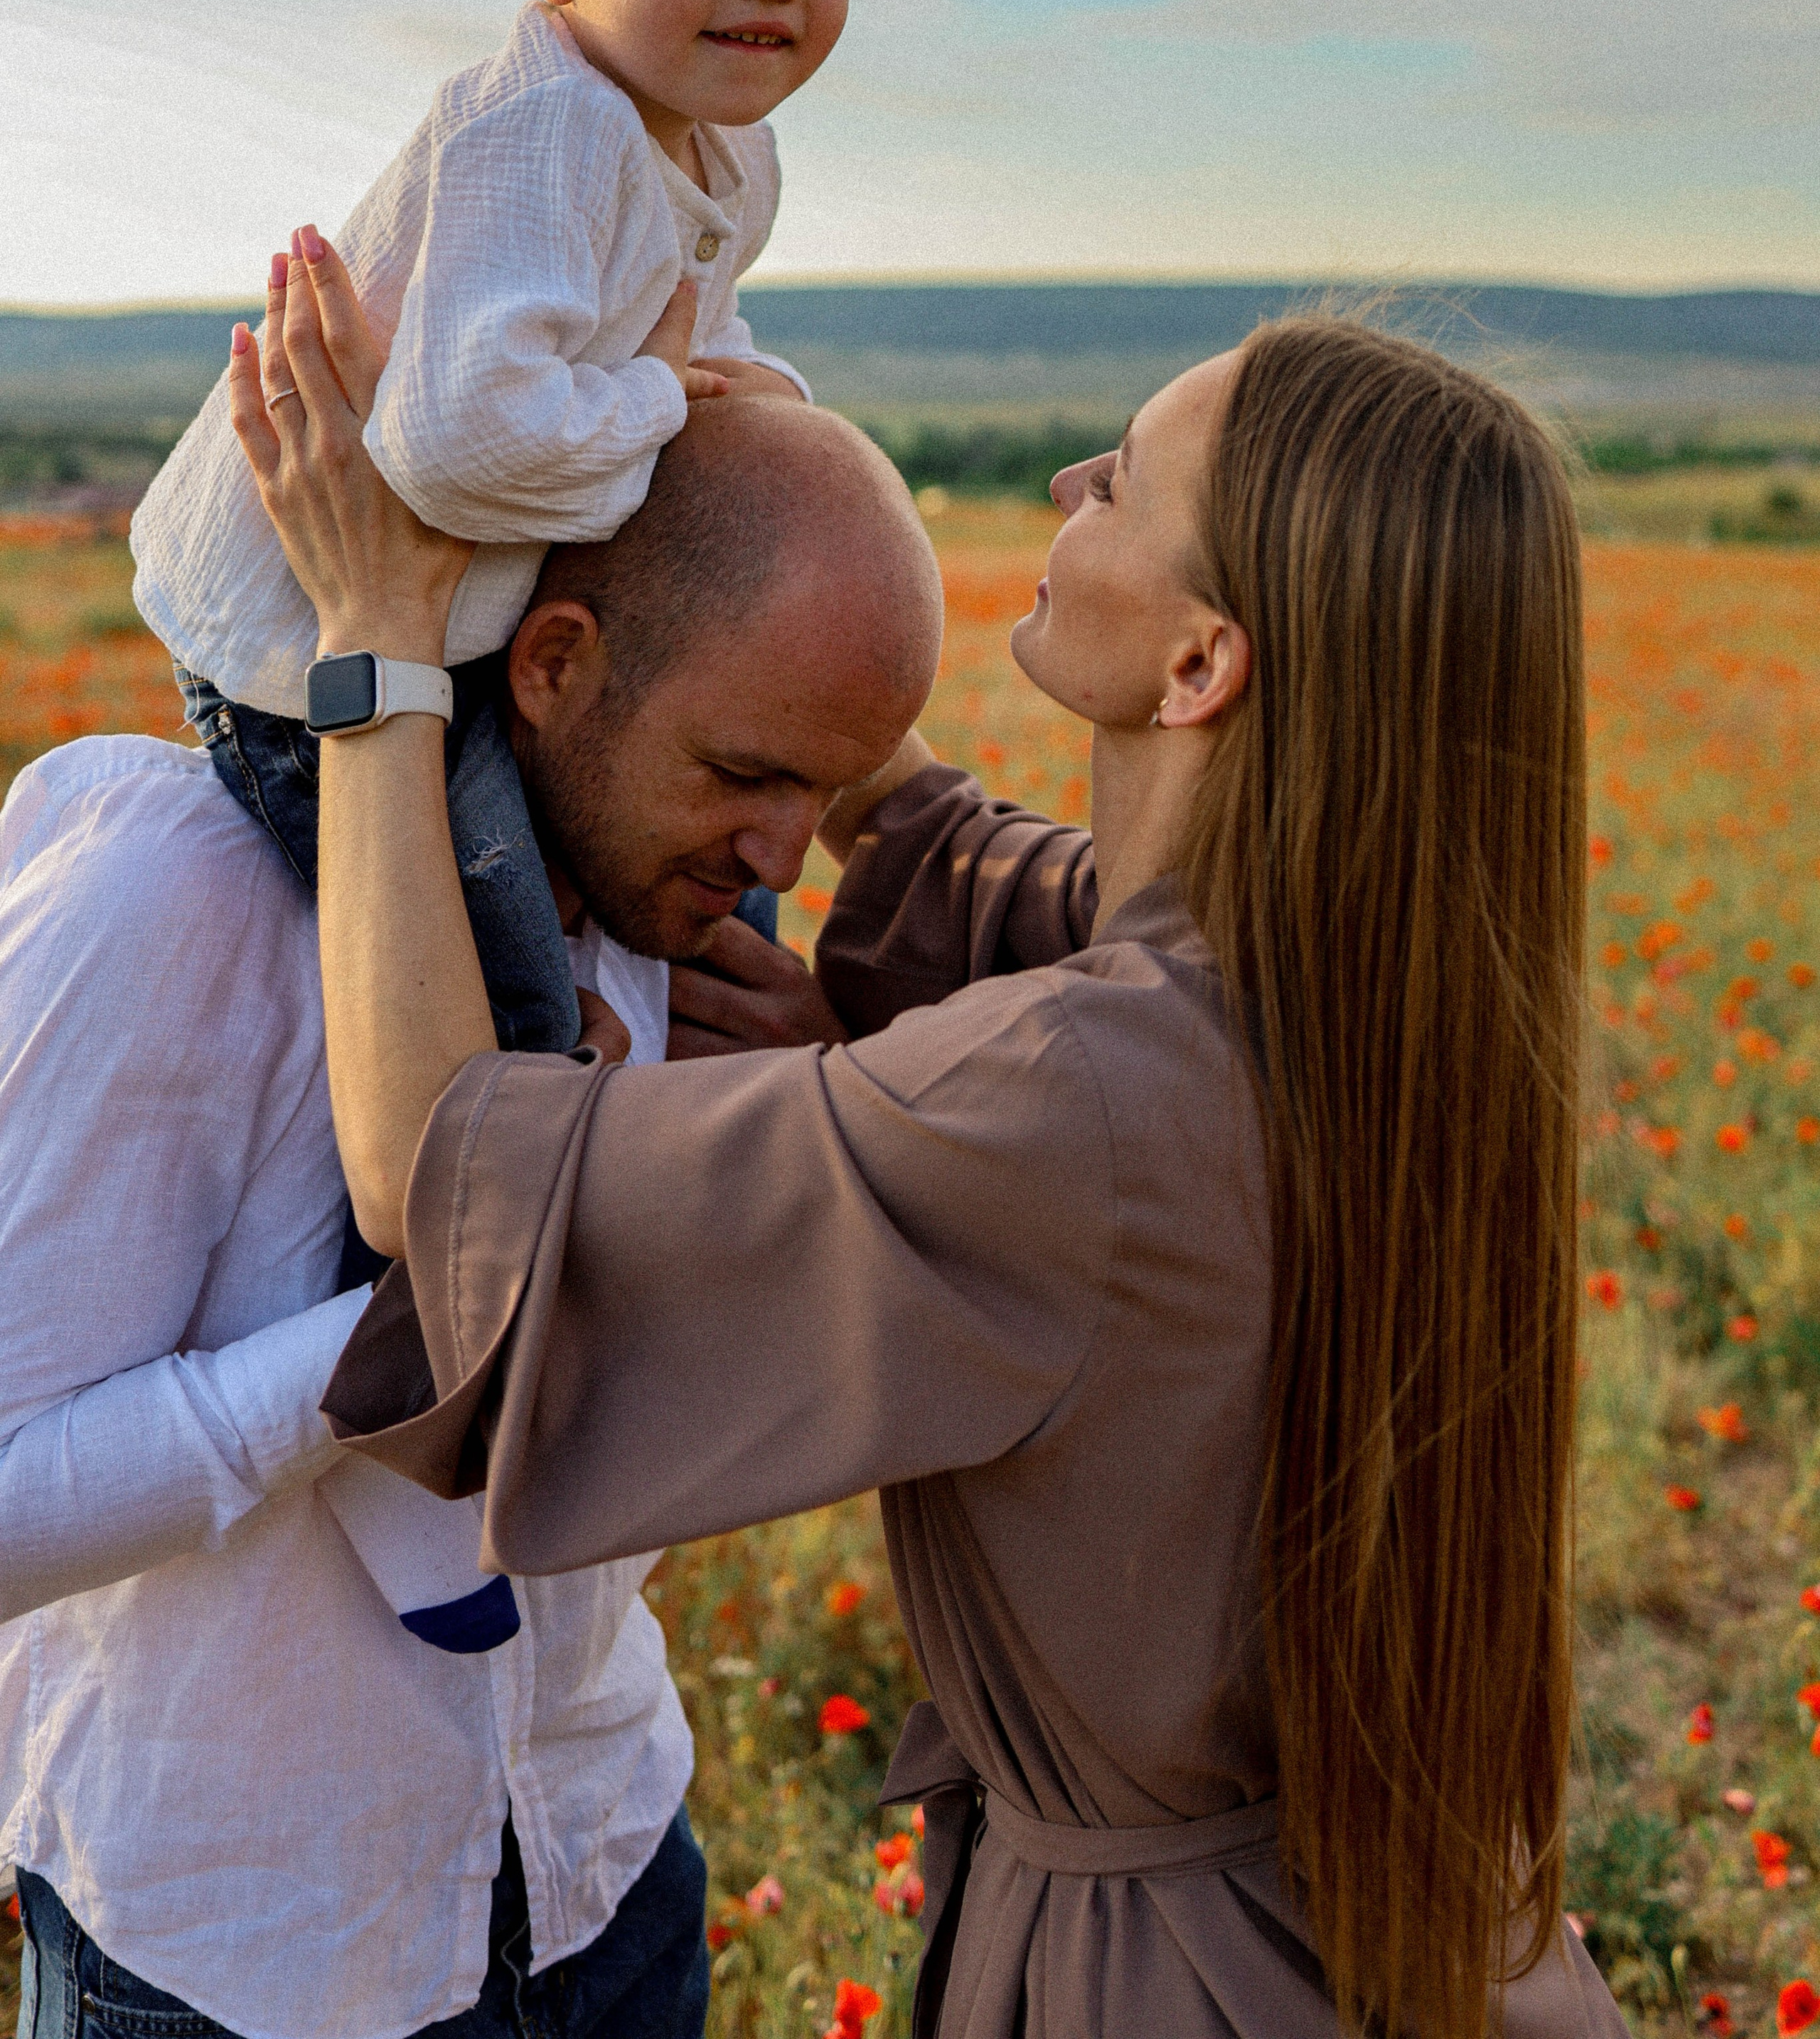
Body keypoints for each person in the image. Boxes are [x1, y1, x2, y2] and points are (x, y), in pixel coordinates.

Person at [235, 242, 1627, 2039]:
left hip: (1156, 1990)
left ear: (1198, 662)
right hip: (1384, 1934)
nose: (1064, 483)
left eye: (1120, 483)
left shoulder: (1073, 1095)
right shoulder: (1380, 983)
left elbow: (436, 1163)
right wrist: (790, 528)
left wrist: (373, 642)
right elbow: (987, 878)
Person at [0, 391, 939, 2039]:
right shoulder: (173, 895)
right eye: (744, 773)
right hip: (254, 1952)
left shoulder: (679, 930)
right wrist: (430, 1315)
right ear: (554, 661)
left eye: (823, 791)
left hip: (606, 1865)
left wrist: (769, 1153)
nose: (785, 854)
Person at [129, 0, 865, 1049]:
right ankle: (514, 1154)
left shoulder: (724, 147)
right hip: (302, 651)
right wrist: (657, 402)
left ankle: (690, 1123)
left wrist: (756, 403)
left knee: (709, 906)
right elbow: (463, 441)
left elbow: (690, 335)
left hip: (459, 623)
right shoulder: (547, 131)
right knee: (506, 995)